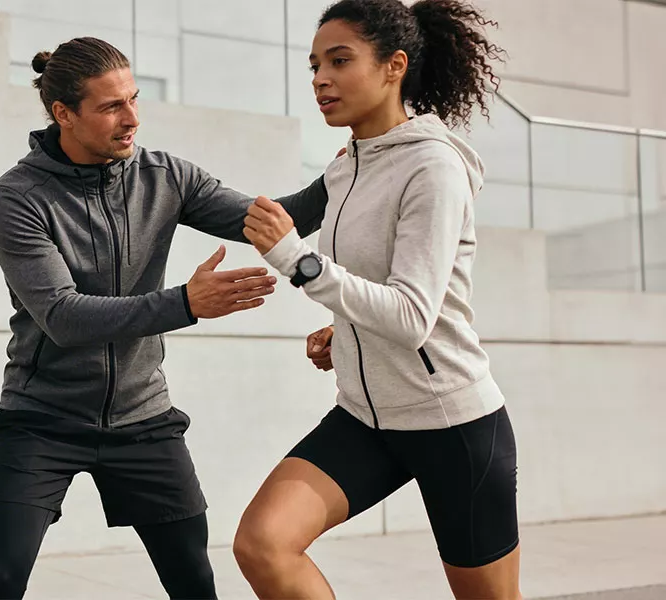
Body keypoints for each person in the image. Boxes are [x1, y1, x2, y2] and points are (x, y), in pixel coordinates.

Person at [0, 37, 329, 599]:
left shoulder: (166, 177)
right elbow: (63, 317)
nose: (132, 118)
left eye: (134, 99)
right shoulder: (18, 197)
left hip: (144, 420)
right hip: (41, 419)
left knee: (194, 581)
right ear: (63, 113)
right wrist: (185, 303)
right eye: (111, 106)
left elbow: (271, 222)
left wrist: (363, 155)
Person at [234, 1, 520, 599]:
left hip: (452, 425)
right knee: (263, 543)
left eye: (340, 61)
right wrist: (348, 332)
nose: (320, 78)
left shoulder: (433, 168)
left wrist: (297, 260)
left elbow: (413, 316)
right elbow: (373, 285)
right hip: (366, 418)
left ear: (394, 67)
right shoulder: (345, 168)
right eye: (314, 64)